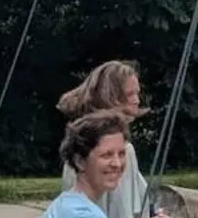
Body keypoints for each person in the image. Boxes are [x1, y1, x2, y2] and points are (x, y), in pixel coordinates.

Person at [56, 61, 151, 218]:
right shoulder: (117, 151)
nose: (137, 100)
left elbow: (140, 201)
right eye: (130, 94)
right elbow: (122, 211)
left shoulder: (84, 143)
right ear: (110, 97)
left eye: (137, 93)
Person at [44, 111, 131, 218]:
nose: (117, 164)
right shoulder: (82, 214)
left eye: (121, 154)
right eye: (107, 155)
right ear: (80, 161)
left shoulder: (63, 204)